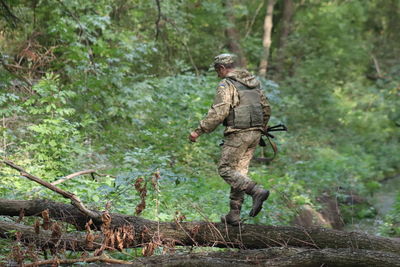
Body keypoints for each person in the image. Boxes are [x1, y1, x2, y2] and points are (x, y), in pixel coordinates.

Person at [189, 53, 271, 225]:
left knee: (225, 169)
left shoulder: (227, 84)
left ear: (222, 68)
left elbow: (220, 111)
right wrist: (261, 125)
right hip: (255, 134)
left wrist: (199, 130)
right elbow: (266, 107)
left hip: (239, 133)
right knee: (239, 173)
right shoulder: (253, 83)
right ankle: (234, 215)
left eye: (217, 71)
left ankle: (256, 191)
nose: (217, 74)